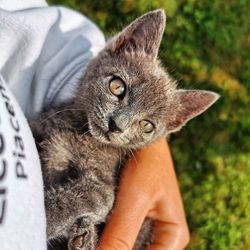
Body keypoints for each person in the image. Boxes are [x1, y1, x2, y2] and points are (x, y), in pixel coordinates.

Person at [0, 0, 189, 249]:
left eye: (146, 125)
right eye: (117, 89)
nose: (117, 124)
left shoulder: (110, 155)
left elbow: (100, 197)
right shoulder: (62, 117)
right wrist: (31, 223)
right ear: (120, 45)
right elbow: (97, 197)